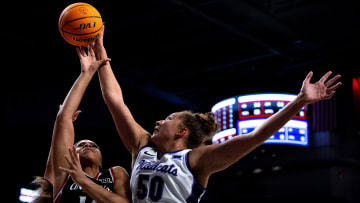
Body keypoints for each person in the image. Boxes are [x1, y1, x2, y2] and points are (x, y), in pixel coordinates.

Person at [92, 26, 342, 202]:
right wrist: (101, 53)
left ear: (182, 131)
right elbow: (115, 100)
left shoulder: (197, 160)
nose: (159, 120)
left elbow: (257, 135)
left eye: (168, 118)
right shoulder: (142, 146)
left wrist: (300, 101)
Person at [50, 46, 131, 202]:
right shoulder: (65, 173)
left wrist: (83, 180)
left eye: (93, 145)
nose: (87, 146)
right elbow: (63, 117)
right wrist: (86, 73)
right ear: (72, 154)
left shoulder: (115, 174)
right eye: (81, 145)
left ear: (101, 161)